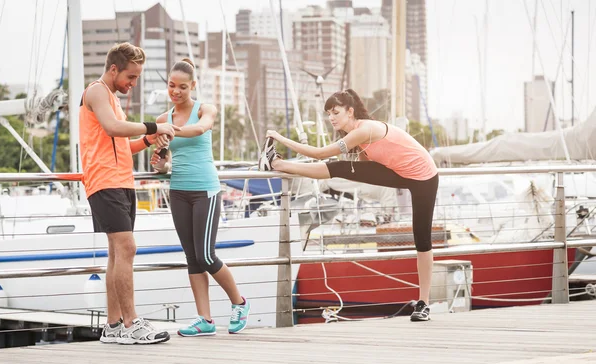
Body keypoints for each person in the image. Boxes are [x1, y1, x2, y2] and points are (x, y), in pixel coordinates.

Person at [259, 88, 439, 322]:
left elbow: (319, 153)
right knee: (341, 167)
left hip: (424, 176)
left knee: (422, 240)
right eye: (329, 114)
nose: (332, 118)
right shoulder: (358, 136)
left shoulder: (362, 130)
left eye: (336, 112)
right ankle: (278, 164)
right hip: (397, 172)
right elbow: (368, 164)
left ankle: (424, 303)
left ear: (350, 111)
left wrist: (279, 137)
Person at [80, 42, 179, 344]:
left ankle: (112, 327)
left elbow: (121, 142)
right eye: (131, 77)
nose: (133, 84)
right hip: (104, 181)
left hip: (121, 180)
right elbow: (112, 128)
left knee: (117, 254)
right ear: (113, 69)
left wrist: (149, 139)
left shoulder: (112, 97)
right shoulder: (97, 91)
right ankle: (131, 322)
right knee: (127, 249)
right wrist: (154, 123)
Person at [150, 58, 250, 336]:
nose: (176, 91)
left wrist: (170, 130)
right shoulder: (162, 120)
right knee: (192, 258)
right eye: (171, 86)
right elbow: (165, 161)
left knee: (206, 255)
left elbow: (200, 128)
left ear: (193, 86)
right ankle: (205, 320)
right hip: (178, 190)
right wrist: (159, 164)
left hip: (205, 189)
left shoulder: (205, 109)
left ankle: (240, 303)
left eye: (182, 86)